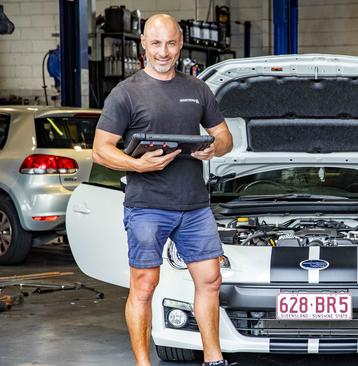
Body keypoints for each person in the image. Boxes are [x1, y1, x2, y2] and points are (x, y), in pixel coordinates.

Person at [92, 14, 234, 366]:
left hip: (194, 204)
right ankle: (144, 363)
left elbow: (225, 137)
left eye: (170, 43)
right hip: (147, 205)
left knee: (211, 279)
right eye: (155, 43)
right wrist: (138, 164)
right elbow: (101, 149)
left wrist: (214, 147)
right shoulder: (125, 93)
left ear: (181, 43)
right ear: (143, 43)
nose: (163, 51)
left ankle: (212, 359)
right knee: (144, 285)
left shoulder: (197, 89)